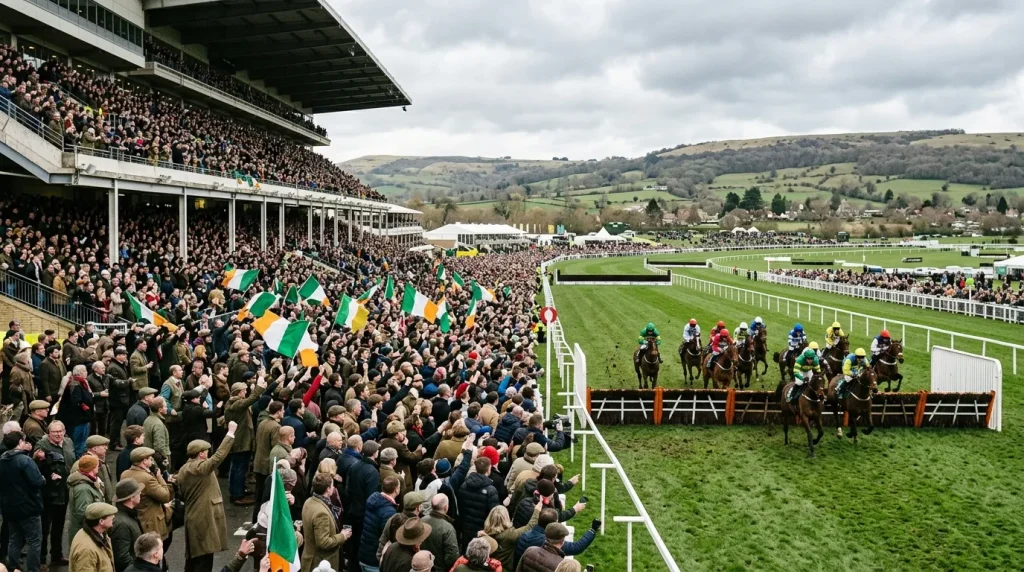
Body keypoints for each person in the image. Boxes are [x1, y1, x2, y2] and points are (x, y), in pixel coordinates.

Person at [176, 421, 238, 572]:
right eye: (206, 451)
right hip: (202, 518)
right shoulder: (197, 468)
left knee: (195, 559)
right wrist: (230, 433)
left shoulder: (187, 468)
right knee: (202, 561)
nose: (208, 454)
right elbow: (217, 458)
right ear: (201, 454)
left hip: (197, 517)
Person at [0, 430, 46, 572]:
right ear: (20, 442)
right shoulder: (25, 460)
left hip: (9, 507)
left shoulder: (2, 459)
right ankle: (33, 569)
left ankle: (12, 567)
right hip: (28, 507)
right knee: (34, 541)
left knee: (15, 538)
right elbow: (37, 481)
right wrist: (43, 478)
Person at [36, 419, 75, 565]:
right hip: (48, 493)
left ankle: (57, 555)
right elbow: (36, 467)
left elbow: (72, 460)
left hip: (64, 490)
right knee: (44, 527)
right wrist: (48, 474)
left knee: (59, 525)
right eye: (55, 432)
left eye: (60, 431)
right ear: (49, 433)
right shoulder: (42, 445)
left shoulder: (69, 442)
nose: (58, 434)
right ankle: (41, 559)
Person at [224, 376, 267, 505]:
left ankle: (237, 490)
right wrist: (259, 388)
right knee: (239, 468)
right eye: (243, 391)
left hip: (240, 439)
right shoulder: (237, 404)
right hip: (241, 441)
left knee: (237, 467)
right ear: (238, 392)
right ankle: (238, 495)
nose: (245, 392)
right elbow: (252, 399)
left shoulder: (232, 403)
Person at [121, 447, 173, 546]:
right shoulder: (147, 478)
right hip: (151, 520)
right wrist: (159, 477)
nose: (152, 461)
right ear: (144, 461)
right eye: (150, 459)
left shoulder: (125, 474)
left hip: (137, 517)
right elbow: (165, 496)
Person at [301, 472, 352, 572]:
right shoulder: (321, 513)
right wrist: (343, 536)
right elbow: (323, 542)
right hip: (320, 563)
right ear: (328, 489)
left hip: (310, 558)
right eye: (332, 485)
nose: (333, 488)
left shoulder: (309, 501)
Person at [457, 457, 500, 553]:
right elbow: (494, 512)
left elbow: (460, 507)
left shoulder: (464, 485)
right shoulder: (491, 490)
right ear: (488, 469)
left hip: (466, 527)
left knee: (466, 551)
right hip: (483, 530)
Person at [68, 454, 108, 543]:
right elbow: (83, 513)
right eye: (97, 465)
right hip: (86, 533)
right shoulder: (83, 488)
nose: (98, 468)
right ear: (92, 468)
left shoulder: (88, 482)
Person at [68, 502, 117, 572]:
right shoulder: (86, 550)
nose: (113, 517)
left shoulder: (96, 534)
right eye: (110, 515)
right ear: (101, 521)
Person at [110, 478, 145, 572]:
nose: (140, 494)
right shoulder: (122, 524)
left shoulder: (128, 515)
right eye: (138, 493)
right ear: (132, 498)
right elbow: (122, 558)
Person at [420, 493, 459, 572]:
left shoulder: (422, 520)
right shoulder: (448, 528)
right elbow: (452, 556)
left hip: (423, 565)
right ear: (446, 507)